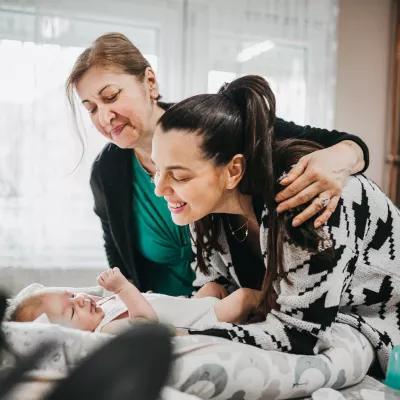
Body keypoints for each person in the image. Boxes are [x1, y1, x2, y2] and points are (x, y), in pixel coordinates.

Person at [66, 33, 369, 297]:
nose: (104, 118)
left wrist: (338, 160)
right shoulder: (107, 173)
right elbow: (122, 266)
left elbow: (346, 144)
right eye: (91, 108)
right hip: (173, 317)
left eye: (111, 96)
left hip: (244, 308)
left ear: (150, 81)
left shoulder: (210, 126)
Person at [151, 75, 400, 374]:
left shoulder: (303, 201)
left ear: (233, 171)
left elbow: (300, 337)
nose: (159, 188)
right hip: (320, 323)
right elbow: (212, 287)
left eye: (179, 177)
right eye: (157, 170)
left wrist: (184, 336)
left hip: (376, 328)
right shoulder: (205, 209)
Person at [9, 267, 261, 334]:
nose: (81, 301)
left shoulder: (100, 309)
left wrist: (144, 296)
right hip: (202, 320)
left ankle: (248, 319)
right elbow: (145, 323)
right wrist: (123, 288)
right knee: (243, 297)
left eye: (73, 296)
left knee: (213, 286)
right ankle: (281, 311)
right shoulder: (105, 330)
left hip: (191, 305)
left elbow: (138, 305)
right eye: (73, 313)